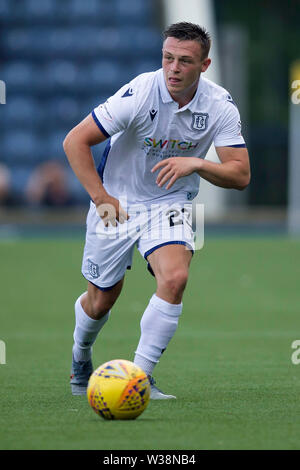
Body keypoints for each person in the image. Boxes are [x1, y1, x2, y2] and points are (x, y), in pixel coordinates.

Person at [63, 22, 250, 399]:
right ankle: (81, 355)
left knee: (175, 278)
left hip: (171, 201)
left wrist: (196, 164)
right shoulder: (139, 92)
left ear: (205, 64)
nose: (173, 68)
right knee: (101, 301)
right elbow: (75, 141)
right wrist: (101, 197)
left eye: (184, 61)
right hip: (116, 202)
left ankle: (138, 380)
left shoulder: (219, 105)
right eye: (168, 58)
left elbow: (240, 174)